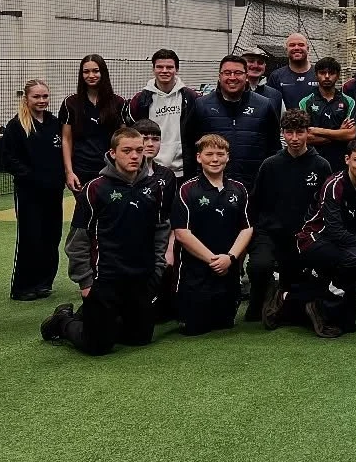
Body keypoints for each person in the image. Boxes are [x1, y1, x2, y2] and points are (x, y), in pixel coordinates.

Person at [40, 128, 170, 355]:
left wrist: (157, 268)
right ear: (112, 153)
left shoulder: (155, 187)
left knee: (139, 339)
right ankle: (62, 320)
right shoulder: (95, 189)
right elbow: (77, 242)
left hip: (141, 279)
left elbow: (161, 230)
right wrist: (86, 283)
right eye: (127, 151)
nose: (134, 156)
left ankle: (93, 316)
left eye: (139, 151)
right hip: (104, 280)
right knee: (98, 346)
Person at [292, 138, 356, 337]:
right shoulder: (334, 184)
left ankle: (299, 298)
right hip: (312, 240)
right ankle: (319, 305)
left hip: (342, 244)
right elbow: (335, 232)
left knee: (348, 324)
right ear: (347, 159)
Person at [248, 110, 332, 324]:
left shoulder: (321, 165)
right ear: (282, 134)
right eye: (289, 132)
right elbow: (256, 203)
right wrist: (259, 234)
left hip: (304, 237)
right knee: (259, 266)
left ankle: (283, 298)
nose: (294, 138)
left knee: (302, 287)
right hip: (272, 233)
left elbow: (326, 207)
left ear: (308, 133)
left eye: (300, 132)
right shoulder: (270, 164)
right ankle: (260, 300)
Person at [170, 134, 253, 335]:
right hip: (197, 272)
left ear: (227, 157)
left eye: (220, 154)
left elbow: (247, 228)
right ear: (199, 158)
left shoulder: (239, 189)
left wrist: (230, 258)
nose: (215, 159)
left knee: (225, 324)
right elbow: (181, 233)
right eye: (209, 154)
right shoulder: (187, 190)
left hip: (228, 269)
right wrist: (213, 260)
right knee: (193, 328)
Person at [4, 78, 65, 302]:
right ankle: (22, 286)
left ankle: (43, 282)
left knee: (52, 236)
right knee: (31, 237)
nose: (41, 101)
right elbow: (8, 159)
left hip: (53, 191)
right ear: (26, 98)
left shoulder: (55, 123)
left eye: (45, 96)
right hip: (29, 192)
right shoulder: (16, 126)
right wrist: (30, 176)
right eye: (36, 96)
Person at [189, 55, 281, 188]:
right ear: (219, 76)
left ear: (246, 76)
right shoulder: (201, 105)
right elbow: (189, 144)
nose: (232, 77)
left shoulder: (264, 105)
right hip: (212, 186)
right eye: (227, 73)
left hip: (254, 186)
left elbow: (274, 147)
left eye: (238, 73)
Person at [131, 119, 179, 320]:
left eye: (155, 139)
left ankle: (163, 307)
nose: (150, 144)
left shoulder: (167, 175)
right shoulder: (125, 174)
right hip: (132, 243)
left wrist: (170, 246)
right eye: (144, 138)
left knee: (169, 263)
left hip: (160, 240)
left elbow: (173, 216)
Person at [125, 48, 200, 177]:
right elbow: (130, 133)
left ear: (176, 69)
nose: (164, 71)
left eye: (169, 67)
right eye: (159, 67)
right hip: (149, 170)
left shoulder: (191, 97)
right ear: (153, 69)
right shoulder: (140, 99)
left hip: (184, 169)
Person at [61, 53, 125, 199]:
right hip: (81, 170)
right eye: (86, 71)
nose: (91, 75)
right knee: (86, 214)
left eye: (95, 71)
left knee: (111, 213)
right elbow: (66, 139)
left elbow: (124, 138)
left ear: (103, 72)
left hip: (111, 169)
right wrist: (69, 172)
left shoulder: (118, 103)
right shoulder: (70, 103)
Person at [300, 57, 356, 173]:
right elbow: (306, 137)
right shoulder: (305, 102)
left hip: (341, 161)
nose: (327, 76)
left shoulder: (349, 101)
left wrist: (317, 130)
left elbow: (350, 134)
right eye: (322, 73)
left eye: (331, 73)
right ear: (316, 75)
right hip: (313, 160)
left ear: (337, 76)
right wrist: (339, 133)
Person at [266, 33, 318, 109]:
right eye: (292, 45)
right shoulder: (276, 76)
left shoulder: (319, 74)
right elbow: (270, 106)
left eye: (301, 45)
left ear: (308, 49)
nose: (296, 48)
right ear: (286, 50)